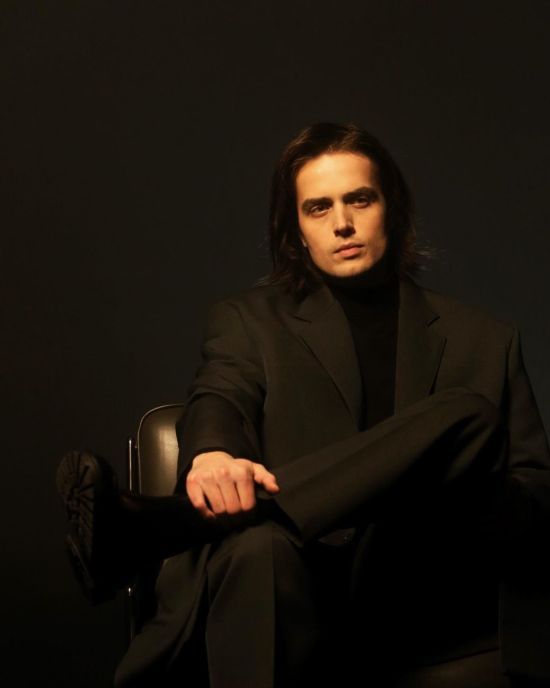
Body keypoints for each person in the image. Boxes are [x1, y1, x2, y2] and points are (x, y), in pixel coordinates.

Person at [57, 122, 550, 687]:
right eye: (319, 208)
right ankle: (211, 524)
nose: (342, 223)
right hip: (298, 577)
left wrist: (463, 494)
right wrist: (213, 454)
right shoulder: (250, 321)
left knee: (469, 413)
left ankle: (170, 526)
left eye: (359, 199)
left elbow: (536, 488)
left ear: (392, 208)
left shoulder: (485, 338)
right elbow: (221, 394)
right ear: (296, 229)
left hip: (426, 584)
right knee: (259, 550)